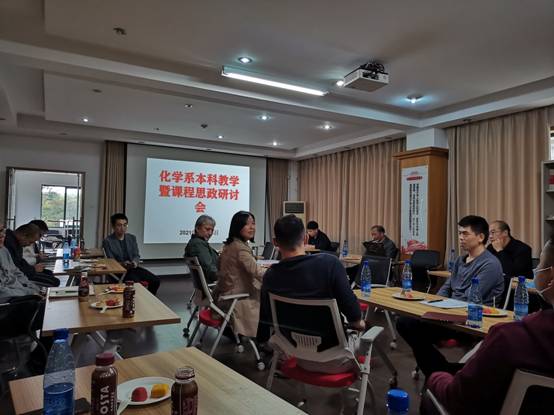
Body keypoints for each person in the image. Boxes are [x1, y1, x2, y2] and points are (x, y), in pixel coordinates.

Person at [423, 237, 554, 415]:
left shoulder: (509, 339)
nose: (536, 270)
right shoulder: (461, 260)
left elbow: (457, 399)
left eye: (541, 264)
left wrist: (436, 376)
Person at [396, 215, 504, 377]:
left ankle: (439, 373)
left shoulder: (490, 264)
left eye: (465, 234)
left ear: (481, 237)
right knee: (405, 323)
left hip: (471, 320)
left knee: (410, 327)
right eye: (459, 233)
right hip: (449, 314)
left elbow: (470, 298)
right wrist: (435, 304)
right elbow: (447, 287)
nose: (460, 237)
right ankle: (443, 370)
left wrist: (444, 306)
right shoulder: (461, 260)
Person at [257, 215, 364, 374]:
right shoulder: (330, 265)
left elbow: (267, 319)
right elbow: (354, 316)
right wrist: (360, 324)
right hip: (336, 359)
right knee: (365, 330)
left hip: (293, 355)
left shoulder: (270, 276)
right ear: (305, 238)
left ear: (275, 242)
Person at [216, 211, 265, 338]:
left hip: (224, 293)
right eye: (247, 224)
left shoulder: (230, 245)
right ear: (238, 227)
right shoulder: (240, 248)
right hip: (237, 297)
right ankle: (264, 337)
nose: (252, 227)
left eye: (253, 223)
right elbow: (258, 272)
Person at [102, 213, 160, 295]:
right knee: (137, 284)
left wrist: (134, 262)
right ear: (113, 226)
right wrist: (123, 263)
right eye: (119, 225)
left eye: (125, 225)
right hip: (119, 272)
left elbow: (136, 255)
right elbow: (111, 261)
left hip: (132, 268)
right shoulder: (108, 241)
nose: (123, 228)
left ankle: (150, 299)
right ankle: (136, 300)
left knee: (156, 281)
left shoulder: (131, 238)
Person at [184, 215, 219, 283]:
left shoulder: (196, 242)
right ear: (197, 228)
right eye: (207, 229)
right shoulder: (198, 244)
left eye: (212, 230)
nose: (210, 233)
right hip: (215, 283)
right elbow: (211, 271)